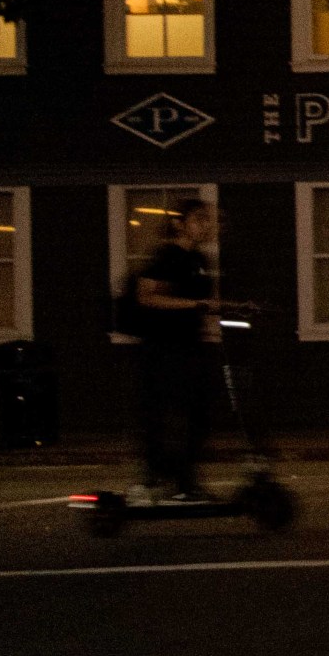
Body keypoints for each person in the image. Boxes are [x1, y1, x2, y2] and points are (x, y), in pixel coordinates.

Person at [129, 198, 219, 502]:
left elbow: (203, 303)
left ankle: (185, 480)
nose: (205, 225)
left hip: (191, 347)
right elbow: (146, 296)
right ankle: (155, 477)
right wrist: (194, 305)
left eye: (207, 220)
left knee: (200, 414)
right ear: (180, 224)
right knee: (165, 415)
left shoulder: (201, 261)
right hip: (162, 349)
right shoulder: (166, 256)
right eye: (198, 219)